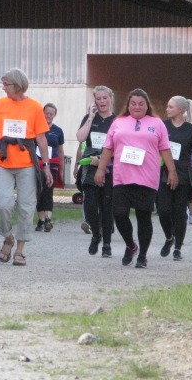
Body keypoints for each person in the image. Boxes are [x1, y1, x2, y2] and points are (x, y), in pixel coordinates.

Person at [94, 88, 178, 268]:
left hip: (147, 177)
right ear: (128, 105)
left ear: (147, 106)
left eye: (141, 104)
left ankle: (143, 256)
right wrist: (101, 169)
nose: (137, 107)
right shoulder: (118, 122)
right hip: (122, 176)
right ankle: (131, 245)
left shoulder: (157, 123)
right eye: (133, 103)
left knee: (143, 217)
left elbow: (165, 149)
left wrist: (172, 171)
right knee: (119, 213)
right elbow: (108, 148)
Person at [0, 68, 54, 267]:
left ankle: (20, 250)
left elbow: (41, 138)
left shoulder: (35, 107)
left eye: (6, 84)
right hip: (3, 162)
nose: (3, 88)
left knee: (26, 207)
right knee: (2, 204)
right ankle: (8, 237)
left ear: (18, 85)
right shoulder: (0, 104)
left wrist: (46, 166)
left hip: (27, 164)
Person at [157, 96, 192, 261]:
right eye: (167, 106)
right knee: (163, 210)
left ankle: (177, 248)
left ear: (181, 110)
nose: (167, 109)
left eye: (171, 107)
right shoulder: (163, 126)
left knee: (180, 212)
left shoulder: (191, 130)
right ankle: (169, 237)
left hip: (183, 175)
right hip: (163, 173)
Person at [76, 86, 117, 257]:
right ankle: (95, 235)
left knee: (107, 208)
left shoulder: (117, 120)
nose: (102, 101)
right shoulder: (89, 118)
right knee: (90, 207)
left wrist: (103, 159)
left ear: (110, 99)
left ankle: (106, 244)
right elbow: (80, 137)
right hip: (90, 165)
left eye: (105, 98)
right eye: (98, 98)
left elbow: (120, 144)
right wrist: (91, 117)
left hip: (110, 166)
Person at [35, 103, 65, 232]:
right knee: (39, 191)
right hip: (38, 163)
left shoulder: (58, 131)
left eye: (51, 114)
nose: (48, 116)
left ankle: (48, 219)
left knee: (48, 190)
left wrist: (61, 168)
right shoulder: (36, 128)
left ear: (54, 115)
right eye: (46, 113)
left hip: (53, 164)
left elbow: (61, 151)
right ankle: (41, 220)